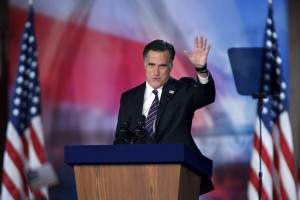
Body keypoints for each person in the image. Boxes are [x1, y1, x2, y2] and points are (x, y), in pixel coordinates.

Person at [114, 36, 215, 194]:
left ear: (171, 65)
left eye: (162, 66)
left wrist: (201, 70)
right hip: (137, 178)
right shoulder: (129, 98)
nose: (155, 72)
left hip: (179, 175)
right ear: (144, 63)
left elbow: (205, 95)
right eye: (151, 65)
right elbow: (120, 140)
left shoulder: (182, 90)